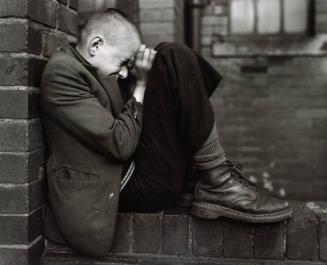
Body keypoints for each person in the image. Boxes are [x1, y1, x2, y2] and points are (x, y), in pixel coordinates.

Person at [40, 9, 292, 258]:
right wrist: (140, 84)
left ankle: (214, 175)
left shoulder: (94, 67)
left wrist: (144, 73)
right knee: (173, 55)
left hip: (136, 170)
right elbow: (120, 143)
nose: (125, 72)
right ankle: (218, 181)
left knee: (165, 55)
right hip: (119, 187)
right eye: (122, 63)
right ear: (95, 45)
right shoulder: (63, 74)